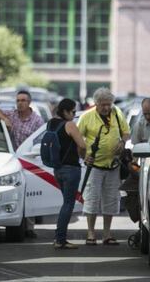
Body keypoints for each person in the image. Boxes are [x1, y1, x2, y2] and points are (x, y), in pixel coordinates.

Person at [77, 87, 130, 245]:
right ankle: (91, 233)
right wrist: (84, 157)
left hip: (113, 165)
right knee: (92, 200)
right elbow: (78, 139)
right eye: (103, 105)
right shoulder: (87, 117)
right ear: (96, 104)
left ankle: (107, 234)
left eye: (109, 104)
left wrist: (122, 142)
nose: (107, 107)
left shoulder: (117, 113)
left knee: (111, 200)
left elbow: (126, 132)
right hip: (94, 167)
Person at [0, 90, 44, 238]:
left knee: (29, 193)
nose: (20, 103)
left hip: (29, 160)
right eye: (18, 100)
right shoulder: (12, 115)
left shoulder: (37, 121)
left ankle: (29, 227)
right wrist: (5, 119)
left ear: (29, 103)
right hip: (11, 161)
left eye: (23, 100)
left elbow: (40, 141)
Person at [50, 99, 86, 249]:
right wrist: (84, 155)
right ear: (65, 112)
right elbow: (82, 145)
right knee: (68, 204)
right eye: (73, 111)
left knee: (66, 202)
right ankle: (60, 239)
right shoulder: (70, 125)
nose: (74, 114)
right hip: (71, 169)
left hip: (57, 169)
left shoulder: (51, 123)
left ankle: (59, 237)